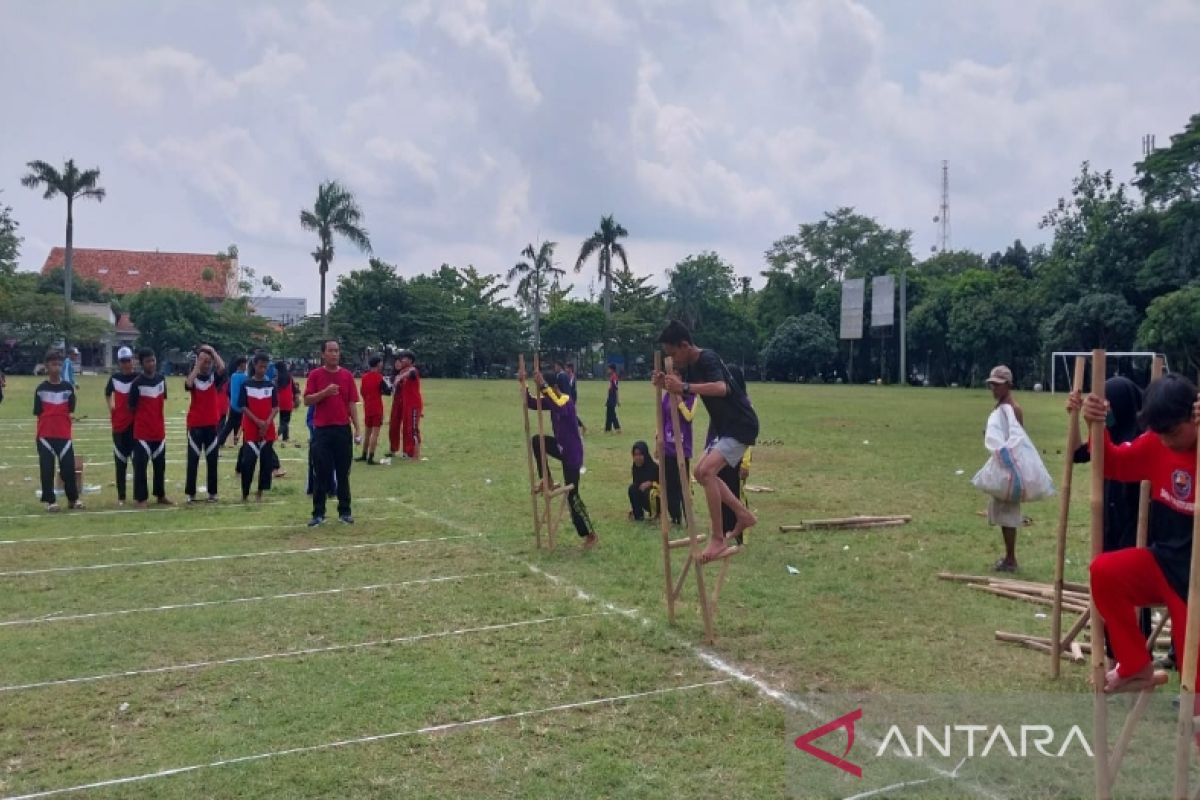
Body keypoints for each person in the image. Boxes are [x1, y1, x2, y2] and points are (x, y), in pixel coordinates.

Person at [1076, 373, 1200, 695]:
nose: (1167, 441)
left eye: (1173, 432)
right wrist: (1096, 426)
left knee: (1194, 681)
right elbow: (1113, 464)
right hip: (1166, 563)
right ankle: (1135, 665)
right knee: (1104, 572)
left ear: (1193, 416)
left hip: (1196, 583)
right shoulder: (1156, 444)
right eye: (1159, 434)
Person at [654, 321, 758, 562]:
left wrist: (684, 386)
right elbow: (683, 390)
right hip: (727, 429)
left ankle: (718, 538)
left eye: (673, 354)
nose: (674, 360)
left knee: (706, 472)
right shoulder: (689, 366)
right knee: (701, 474)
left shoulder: (707, 358)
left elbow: (721, 388)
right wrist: (666, 383)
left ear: (685, 345)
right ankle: (743, 515)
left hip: (741, 426)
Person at [1069, 375, 1152, 657]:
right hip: (1108, 522)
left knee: (1135, 588)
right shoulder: (1106, 436)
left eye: (1112, 408)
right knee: (1107, 584)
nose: (1109, 415)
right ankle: (1115, 652)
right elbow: (1077, 454)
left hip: (1136, 522)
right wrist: (1081, 421)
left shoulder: (1143, 441)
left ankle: (1139, 650)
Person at [523, 366, 597, 548]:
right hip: (560, 447)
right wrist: (523, 384)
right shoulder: (552, 398)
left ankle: (590, 534)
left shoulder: (566, 400)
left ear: (555, 386)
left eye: (549, 388)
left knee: (573, 496)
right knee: (537, 441)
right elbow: (532, 403)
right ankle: (546, 479)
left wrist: (543, 386)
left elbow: (558, 405)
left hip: (572, 455)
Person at [304, 339, 362, 526]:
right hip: (322, 430)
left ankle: (345, 511)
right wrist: (325, 393)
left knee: (343, 473)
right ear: (323, 354)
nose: (334, 354)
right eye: (330, 351)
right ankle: (318, 513)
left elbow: (352, 403)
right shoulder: (315, 375)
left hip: (342, 429)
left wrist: (357, 428)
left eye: (337, 350)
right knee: (321, 472)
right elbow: (307, 400)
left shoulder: (346, 376)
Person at [984, 365, 1024, 572]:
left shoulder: (1013, 408)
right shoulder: (1000, 406)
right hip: (1002, 464)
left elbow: (1017, 439)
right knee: (1001, 511)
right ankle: (1008, 556)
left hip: (1010, 467)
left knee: (1008, 513)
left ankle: (1011, 558)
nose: (994, 389)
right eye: (992, 385)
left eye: (998, 385)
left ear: (1008, 385)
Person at [33, 349, 82, 512]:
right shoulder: (40, 389)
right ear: (47, 366)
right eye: (53, 364)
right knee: (47, 469)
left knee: (68, 468)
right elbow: (39, 412)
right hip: (45, 435)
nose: (57, 368)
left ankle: (73, 499)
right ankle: (50, 501)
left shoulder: (68, 388)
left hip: (64, 434)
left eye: (59, 364)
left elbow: (70, 410)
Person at [127, 347, 173, 507]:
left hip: (158, 431)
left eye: (153, 360)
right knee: (140, 467)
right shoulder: (136, 384)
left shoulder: (161, 380)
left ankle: (160, 495)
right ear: (142, 364)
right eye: (148, 361)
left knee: (160, 466)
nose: (152, 363)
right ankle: (141, 498)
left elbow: (162, 401)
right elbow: (131, 407)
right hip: (142, 432)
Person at [183, 344, 226, 504]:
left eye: (208, 362)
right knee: (193, 460)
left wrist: (213, 352)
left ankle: (212, 493)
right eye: (203, 361)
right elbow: (188, 384)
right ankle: (191, 494)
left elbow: (222, 367)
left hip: (211, 425)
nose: (206, 365)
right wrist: (197, 365)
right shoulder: (194, 378)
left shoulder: (214, 378)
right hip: (195, 425)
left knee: (212, 460)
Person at [238, 353, 279, 503]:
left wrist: (267, 422)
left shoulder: (271, 386)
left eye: (265, 367)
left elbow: (275, 407)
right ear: (254, 366)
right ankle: (245, 493)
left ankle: (260, 491)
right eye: (260, 366)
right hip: (251, 429)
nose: (263, 369)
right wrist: (258, 421)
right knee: (247, 462)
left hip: (267, 430)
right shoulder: (246, 385)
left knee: (266, 463)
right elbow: (243, 406)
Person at [104, 346, 138, 505]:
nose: (126, 364)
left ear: (133, 360)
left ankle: (139, 495)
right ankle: (121, 496)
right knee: (120, 462)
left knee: (138, 462)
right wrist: (111, 407)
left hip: (136, 425)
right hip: (119, 425)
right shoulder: (114, 378)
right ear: (119, 363)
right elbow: (107, 393)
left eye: (128, 360)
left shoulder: (139, 377)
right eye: (123, 361)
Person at [661, 377, 698, 525]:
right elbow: (662, 419)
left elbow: (689, 417)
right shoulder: (666, 397)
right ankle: (675, 517)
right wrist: (659, 438)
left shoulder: (692, 396)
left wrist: (680, 401)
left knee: (684, 484)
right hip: (668, 447)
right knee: (670, 484)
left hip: (683, 448)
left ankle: (688, 517)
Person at [358, 355, 388, 464]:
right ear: (378, 364)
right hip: (377, 408)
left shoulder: (364, 377)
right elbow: (387, 391)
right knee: (375, 434)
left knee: (367, 433)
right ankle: (370, 457)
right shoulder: (380, 377)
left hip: (368, 407)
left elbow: (362, 392)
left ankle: (363, 455)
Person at [395, 350, 423, 460]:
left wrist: (400, 377)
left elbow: (411, 373)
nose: (402, 360)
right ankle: (407, 451)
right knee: (406, 428)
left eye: (404, 358)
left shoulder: (413, 370)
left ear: (410, 360)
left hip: (414, 405)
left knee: (413, 429)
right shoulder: (403, 372)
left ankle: (415, 454)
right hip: (406, 405)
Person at [219, 356, 249, 448]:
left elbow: (230, 390)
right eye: (245, 365)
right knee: (243, 424)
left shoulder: (233, 376)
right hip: (241, 405)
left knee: (230, 425)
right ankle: (243, 442)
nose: (246, 367)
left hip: (232, 404)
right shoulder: (244, 377)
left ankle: (221, 441)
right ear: (241, 365)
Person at [628, 441, 659, 521]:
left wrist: (651, 483)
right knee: (632, 488)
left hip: (656, 499)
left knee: (649, 491)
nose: (637, 457)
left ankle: (657, 514)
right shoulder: (635, 467)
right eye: (635, 455)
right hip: (644, 498)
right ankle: (638, 515)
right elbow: (636, 485)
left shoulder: (654, 468)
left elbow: (664, 486)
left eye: (640, 454)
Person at [275, 361, 299, 448]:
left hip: (280, 400)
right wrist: (295, 398)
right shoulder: (289, 377)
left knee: (282, 419)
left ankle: (285, 437)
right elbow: (294, 389)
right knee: (286, 421)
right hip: (288, 400)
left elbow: (276, 390)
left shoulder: (278, 378)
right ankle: (277, 434)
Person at [566, 362, 586, 435]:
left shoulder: (572, 377)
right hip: (568, 397)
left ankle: (582, 426)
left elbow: (571, 387)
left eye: (567, 368)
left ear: (570, 369)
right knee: (570, 413)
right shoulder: (567, 376)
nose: (566, 369)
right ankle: (580, 427)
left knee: (571, 413)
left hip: (572, 397)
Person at [605, 363, 621, 433]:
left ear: (612, 369)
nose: (608, 370)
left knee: (612, 413)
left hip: (613, 397)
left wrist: (617, 400)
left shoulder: (614, 377)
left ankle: (617, 427)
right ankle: (607, 429)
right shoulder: (612, 376)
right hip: (610, 396)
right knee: (608, 413)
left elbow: (616, 388)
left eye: (609, 369)